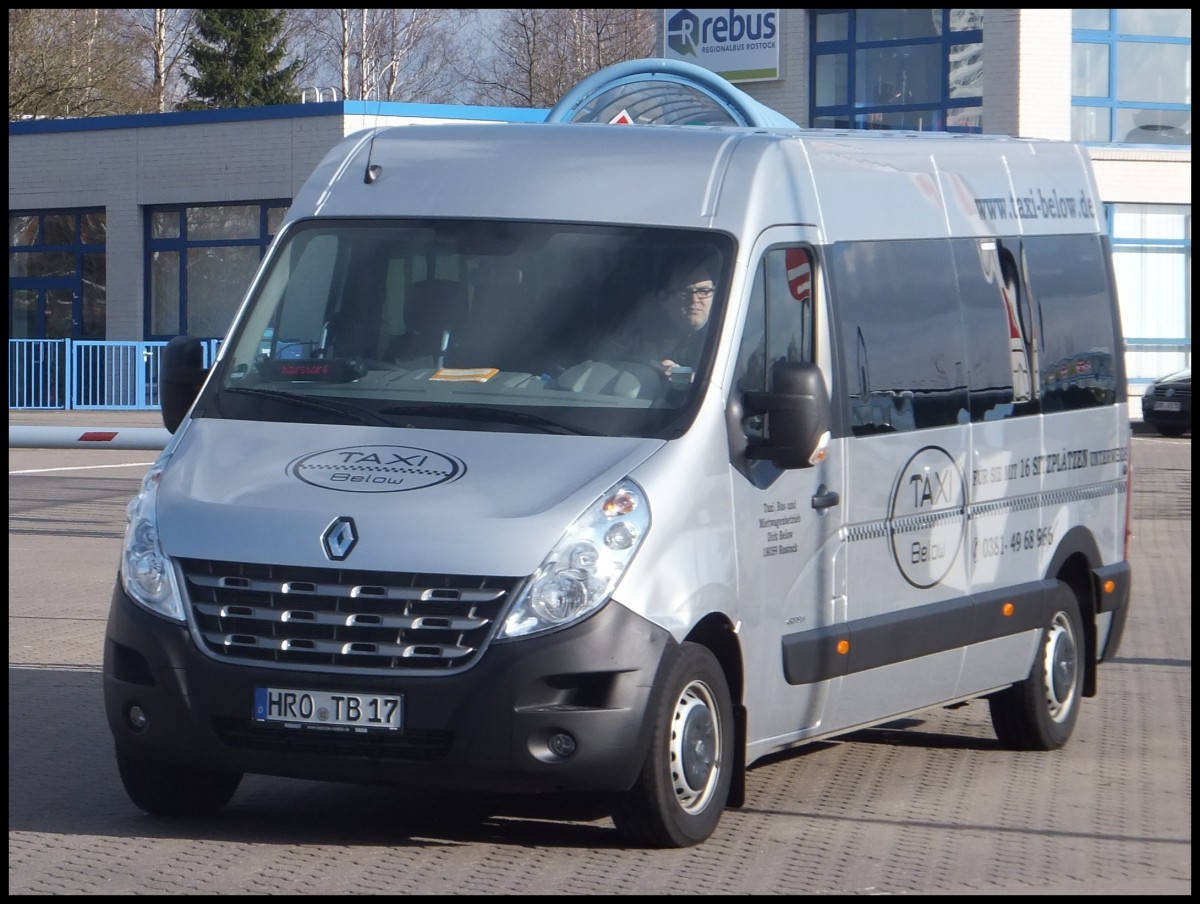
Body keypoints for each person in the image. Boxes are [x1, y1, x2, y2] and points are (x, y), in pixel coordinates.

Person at [603, 257, 718, 380]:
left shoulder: (726, 340)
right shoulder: (640, 335)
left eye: (704, 291)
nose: (694, 300)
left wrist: (688, 379)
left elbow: (724, 387)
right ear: (664, 299)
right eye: (684, 292)